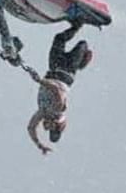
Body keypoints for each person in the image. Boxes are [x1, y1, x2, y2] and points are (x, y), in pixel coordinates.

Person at [27, 20, 93, 154]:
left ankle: (77, 25)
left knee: (59, 39)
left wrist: (39, 145)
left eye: (46, 128)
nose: (45, 126)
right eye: (50, 128)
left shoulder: (42, 112)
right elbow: (56, 91)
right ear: (56, 125)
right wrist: (40, 81)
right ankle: (82, 63)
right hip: (68, 70)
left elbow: (31, 128)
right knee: (83, 44)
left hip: (54, 67)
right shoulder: (58, 110)